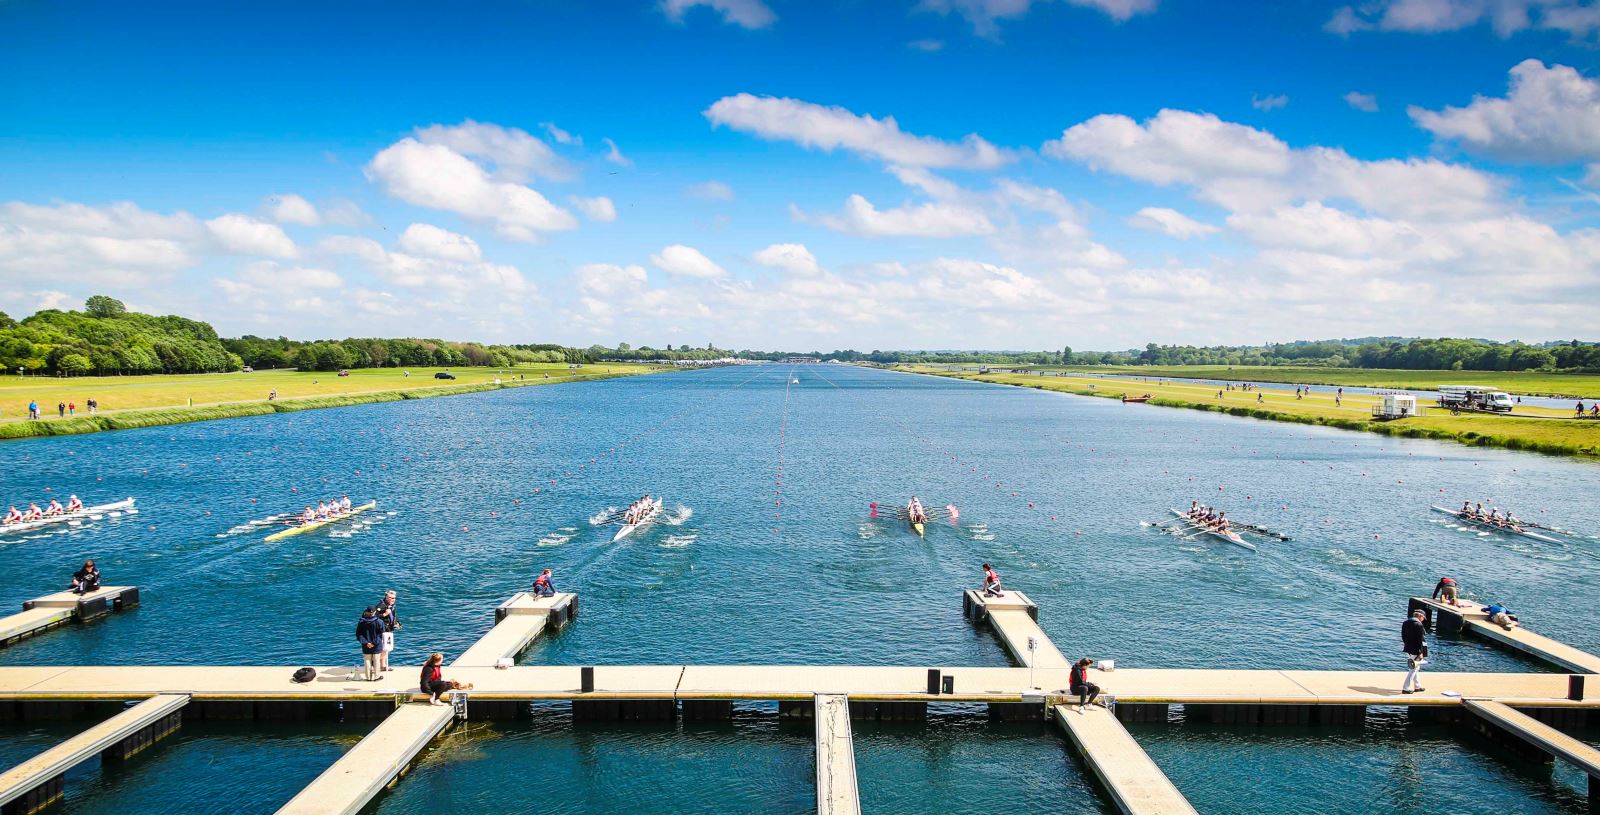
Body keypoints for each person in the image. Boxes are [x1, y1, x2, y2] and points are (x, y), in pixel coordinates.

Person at [1401, 610, 1427, 694]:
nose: (1423, 619)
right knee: (1413, 669)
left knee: (1416, 668)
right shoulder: (1419, 625)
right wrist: (1420, 652)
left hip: (1408, 648)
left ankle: (1417, 686)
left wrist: (1407, 645)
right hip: (1416, 650)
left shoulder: (1406, 623)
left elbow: (1403, 636)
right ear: (1420, 616)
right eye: (1423, 617)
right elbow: (1420, 640)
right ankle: (1405, 688)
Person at [356, 607, 385, 681]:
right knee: (376, 661)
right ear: (374, 612)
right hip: (377, 645)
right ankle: (376, 676)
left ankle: (368, 677)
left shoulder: (362, 622)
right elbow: (381, 634)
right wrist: (374, 643)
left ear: (366, 612)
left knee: (367, 661)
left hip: (365, 645)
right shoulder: (379, 621)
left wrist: (366, 642)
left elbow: (359, 634)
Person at [377, 590, 400, 672]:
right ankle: (377, 665)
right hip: (382, 630)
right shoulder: (381, 606)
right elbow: (374, 617)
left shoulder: (391, 606)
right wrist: (384, 614)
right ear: (386, 597)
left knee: (387, 648)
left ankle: (383, 665)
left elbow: (393, 616)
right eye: (390, 598)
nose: (392, 599)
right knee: (383, 648)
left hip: (388, 629)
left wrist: (397, 623)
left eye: (393, 598)